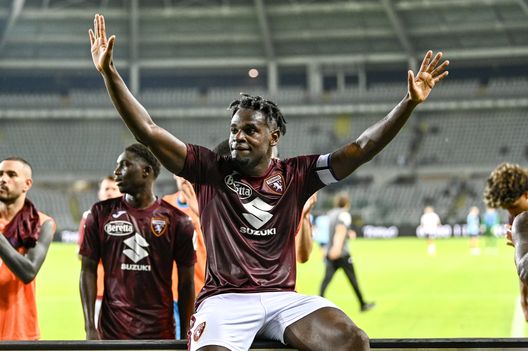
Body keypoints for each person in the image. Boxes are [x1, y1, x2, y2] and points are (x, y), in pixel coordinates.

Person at [89, 13, 448, 350]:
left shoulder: (297, 175)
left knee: (352, 340)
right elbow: (149, 130)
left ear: (273, 136)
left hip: (283, 300)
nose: (237, 137)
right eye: (233, 130)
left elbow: (361, 148)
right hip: (223, 299)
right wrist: (109, 74)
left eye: (249, 130)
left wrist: (408, 103)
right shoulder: (209, 169)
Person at [79, 144, 196, 339]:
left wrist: (185, 334)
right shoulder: (100, 214)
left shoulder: (177, 221)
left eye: (124, 165)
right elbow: (87, 269)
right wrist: (90, 327)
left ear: (146, 171)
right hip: (112, 331)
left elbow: (186, 283)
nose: (116, 172)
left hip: (160, 332)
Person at [0, 157, 56, 340]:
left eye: (11, 174)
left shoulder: (42, 223)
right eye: (0, 174)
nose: (3, 179)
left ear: (27, 184)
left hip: (20, 331)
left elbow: (28, 271)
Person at [163, 175, 206, 339]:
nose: (184, 176)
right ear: (173, 174)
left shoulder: (207, 203)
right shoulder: (165, 204)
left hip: (201, 290)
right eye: (180, 172)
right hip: (171, 291)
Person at [484, 162, 528, 320]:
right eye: (506, 208)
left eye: (513, 206)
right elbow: (523, 261)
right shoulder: (517, 217)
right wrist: (524, 297)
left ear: (527, 194)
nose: (510, 212)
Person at [77, 175, 122, 328]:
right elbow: (81, 253)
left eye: (114, 189)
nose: (109, 192)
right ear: (99, 193)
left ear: (121, 192)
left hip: (124, 292)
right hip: (98, 290)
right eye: (106, 189)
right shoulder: (89, 217)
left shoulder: (131, 218)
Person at [319, 194, 374, 312]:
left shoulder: (330, 214)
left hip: (329, 251)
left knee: (326, 279)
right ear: (346, 203)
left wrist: (327, 249)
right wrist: (337, 248)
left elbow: (330, 231)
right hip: (341, 253)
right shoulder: (344, 214)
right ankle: (363, 304)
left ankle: (318, 304)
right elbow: (340, 230)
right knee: (352, 278)